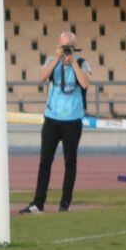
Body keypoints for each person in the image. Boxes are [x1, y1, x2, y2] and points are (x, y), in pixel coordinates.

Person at [20, 31, 91, 214]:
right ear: (58, 46)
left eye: (69, 47)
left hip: (72, 120)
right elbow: (42, 77)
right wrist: (57, 57)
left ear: (75, 47)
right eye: (63, 46)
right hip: (52, 119)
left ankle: (65, 203)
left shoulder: (82, 63)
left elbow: (85, 84)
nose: (66, 50)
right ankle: (38, 203)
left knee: (70, 162)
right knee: (45, 161)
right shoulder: (52, 60)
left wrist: (73, 61)